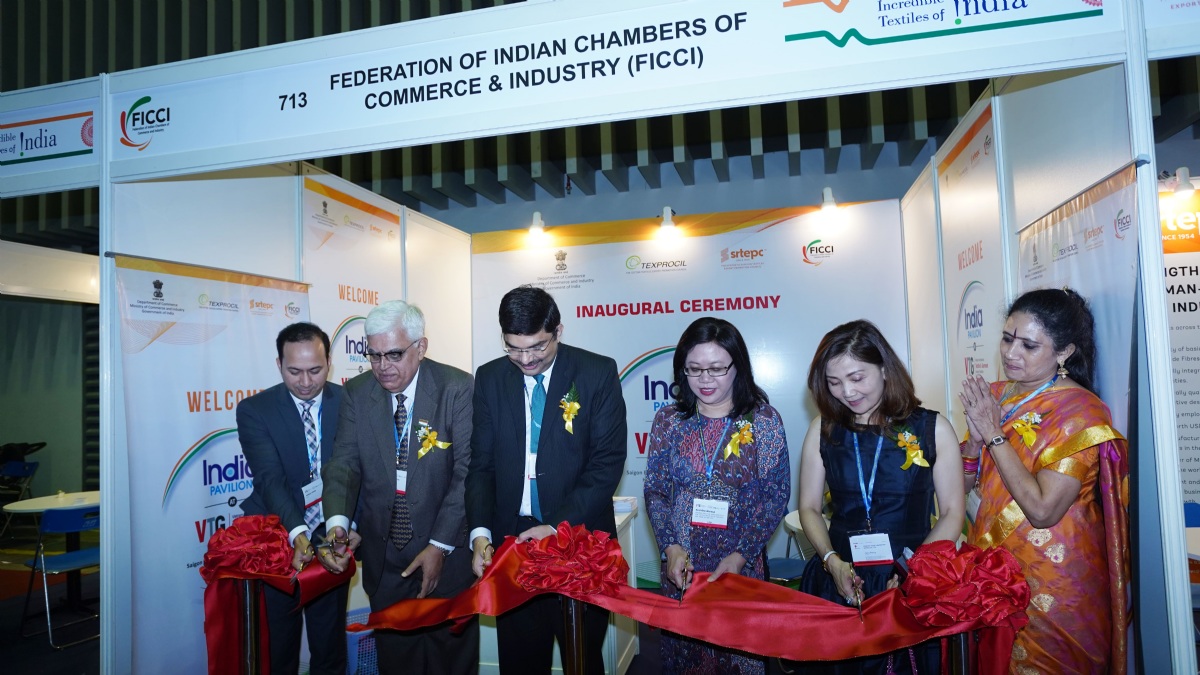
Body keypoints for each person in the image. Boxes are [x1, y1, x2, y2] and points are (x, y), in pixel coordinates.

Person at [959, 288, 1130, 674]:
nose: (1011, 353)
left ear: (1064, 352)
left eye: (1029, 345)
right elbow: (964, 488)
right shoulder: (996, 396)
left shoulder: (1081, 412)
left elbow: (1042, 510)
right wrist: (973, 441)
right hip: (992, 574)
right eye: (1007, 339)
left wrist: (994, 433)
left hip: (1054, 583)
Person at [466, 285, 627, 675]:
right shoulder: (490, 377)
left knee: (582, 659)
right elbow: (481, 466)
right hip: (513, 544)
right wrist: (481, 534)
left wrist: (555, 526)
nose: (525, 359)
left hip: (579, 540)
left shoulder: (596, 372)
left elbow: (606, 464)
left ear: (559, 331)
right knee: (520, 660)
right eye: (513, 348)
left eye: (537, 347)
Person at [319, 300, 479, 675]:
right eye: (373, 355)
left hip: (447, 555)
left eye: (393, 354)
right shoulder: (358, 393)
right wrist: (338, 525)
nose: (382, 366)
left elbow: (467, 472)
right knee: (397, 662)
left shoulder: (456, 388)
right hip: (385, 559)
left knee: (450, 663)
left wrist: (439, 545)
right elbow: (344, 464)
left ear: (420, 347)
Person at [797, 320, 964, 674]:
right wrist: (830, 559)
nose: (847, 392)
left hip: (908, 581)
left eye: (857, 377)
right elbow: (809, 507)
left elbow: (952, 512)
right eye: (834, 382)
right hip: (840, 577)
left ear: (885, 369)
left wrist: (913, 572)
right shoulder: (823, 429)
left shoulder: (932, 428)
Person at [644, 317, 790, 675]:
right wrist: (669, 546)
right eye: (694, 369)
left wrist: (741, 556)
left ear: (737, 366)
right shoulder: (669, 420)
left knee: (740, 659)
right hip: (683, 569)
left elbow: (776, 497)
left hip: (741, 567)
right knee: (686, 661)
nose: (705, 380)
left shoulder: (763, 421)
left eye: (716, 369)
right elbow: (656, 490)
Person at [236, 321, 350, 675]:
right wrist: (298, 534)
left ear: (329, 363)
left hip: (332, 536)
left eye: (315, 370)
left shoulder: (349, 402)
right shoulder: (255, 410)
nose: (305, 382)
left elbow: (357, 470)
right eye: (294, 371)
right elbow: (270, 480)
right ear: (279, 364)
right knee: (278, 650)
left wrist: (346, 527)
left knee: (329, 647)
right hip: (278, 540)